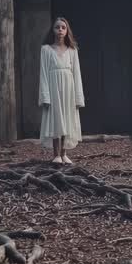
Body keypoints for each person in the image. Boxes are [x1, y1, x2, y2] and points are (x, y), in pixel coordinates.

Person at [39, 17, 84, 164]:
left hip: (68, 88)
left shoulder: (72, 50)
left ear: (67, 31)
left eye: (63, 27)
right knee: (56, 118)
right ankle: (56, 155)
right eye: (57, 27)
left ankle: (64, 154)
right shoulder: (46, 50)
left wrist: (78, 97)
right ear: (53, 30)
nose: (60, 30)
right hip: (53, 88)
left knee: (67, 118)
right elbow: (43, 74)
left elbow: (77, 74)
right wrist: (45, 96)